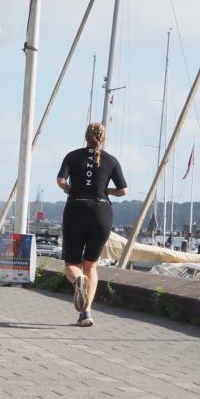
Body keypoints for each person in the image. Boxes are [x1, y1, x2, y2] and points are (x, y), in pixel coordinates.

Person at [56, 122, 128, 327]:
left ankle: (78, 279)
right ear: (103, 138)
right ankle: (85, 313)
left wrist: (70, 189)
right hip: (101, 212)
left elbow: (60, 180)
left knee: (72, 264)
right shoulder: (111, 160)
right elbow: (124, 190)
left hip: (76, 210)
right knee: (91, 265)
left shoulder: (72, 156)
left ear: (86, 136)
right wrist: (107, 191)